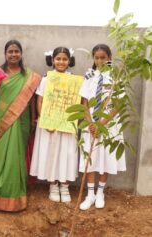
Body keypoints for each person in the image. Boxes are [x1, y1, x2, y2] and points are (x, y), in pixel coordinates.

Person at [0, 40, 41, 212]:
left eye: (16, 51)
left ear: (21, 53)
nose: (13, 54)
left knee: (18, 157)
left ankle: (17, 196)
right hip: (2, 121)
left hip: (23, 121)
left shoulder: (29, 75)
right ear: (5, 53)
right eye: (10, 51)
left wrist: (33, 119)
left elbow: (32, 100)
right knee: (0, 157)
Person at [79, 44, 126, 210]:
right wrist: (91, 123)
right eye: (96, 58)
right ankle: (90, 194)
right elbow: (84, 103)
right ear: (93, 58)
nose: (99, 60)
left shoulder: (116, 77)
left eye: (103, 57)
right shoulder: (89, 76)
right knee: (90, 156)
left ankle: (100, 192)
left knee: (105, 157)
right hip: (90, 125)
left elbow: (118, 105)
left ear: (110, 58)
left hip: (108, 124)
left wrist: (102, 124)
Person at [30, 47, 78, 203]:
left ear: (70, 61)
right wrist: (45, 120)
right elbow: (39, 101)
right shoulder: (46, 79)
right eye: (58, 59)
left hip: (67, 125)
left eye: (65, 59)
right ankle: (52, 185)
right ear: (52, 60)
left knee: (67, 153)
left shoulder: (75, 81)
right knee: (51, 152)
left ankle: (64, 186)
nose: (61, 62)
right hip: (49, 126)